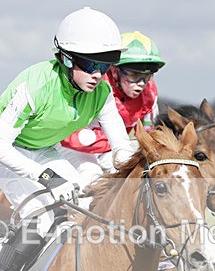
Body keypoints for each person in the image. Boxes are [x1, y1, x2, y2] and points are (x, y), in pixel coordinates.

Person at [0, 7, 133, 271]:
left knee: (87, 203)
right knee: (39, 217)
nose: (99, 74)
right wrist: (44, 178)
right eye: (91, 64)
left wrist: (138, 166)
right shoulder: (35, 85)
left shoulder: (101, 93)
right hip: (3, 149)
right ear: (68, 58)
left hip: (45, 149)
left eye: (106, 64)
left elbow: (121, 149)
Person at [58, 30, 165, 186]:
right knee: (91, 174)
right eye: (134, 75)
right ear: (115, 71)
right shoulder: (95, 87)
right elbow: (76, 138)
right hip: (72, 144)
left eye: (147, 76)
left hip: (108, 147)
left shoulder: (149, 93)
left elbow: (148, 134)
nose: (142, 83)